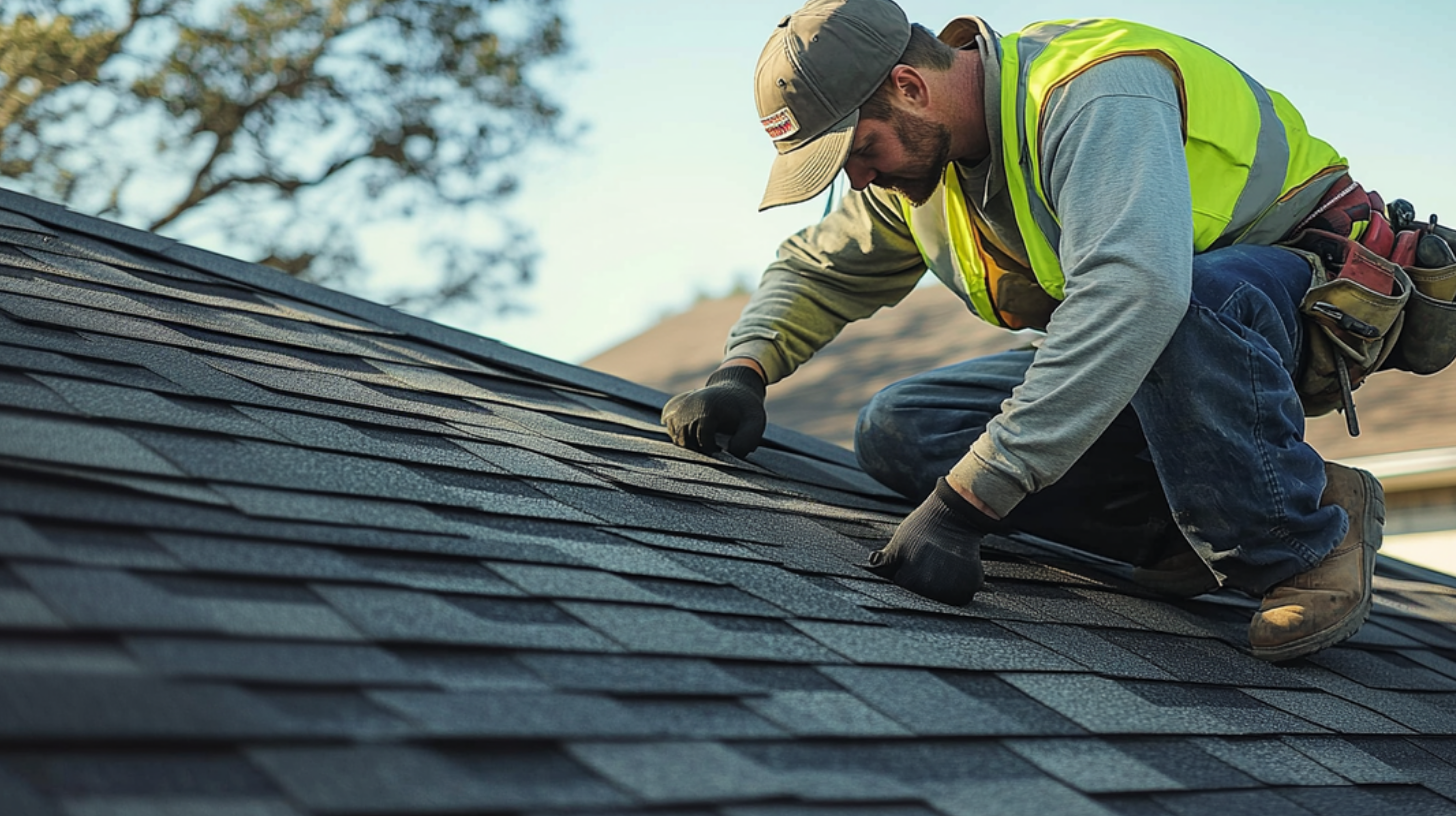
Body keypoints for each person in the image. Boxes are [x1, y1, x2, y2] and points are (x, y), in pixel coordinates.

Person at [660, 0, 1456, 661]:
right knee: (902, 428)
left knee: (1175, 305)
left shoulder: (1090, 93)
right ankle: (1185, 527)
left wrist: (969, 503)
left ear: (907, 85)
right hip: (1160, 343)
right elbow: (824, 266)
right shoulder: (919, 165)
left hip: (1283, 301)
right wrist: (745, 369)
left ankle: (1302, 536)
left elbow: (1133, 295)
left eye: (858, 151)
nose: (858, 178)